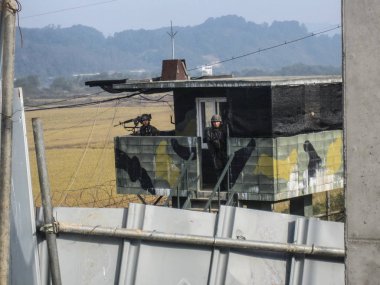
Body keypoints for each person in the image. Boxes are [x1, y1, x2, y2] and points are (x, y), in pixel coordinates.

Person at [204, 114, 228, 189]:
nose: (215, 123)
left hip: (224, 152)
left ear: (220, 122)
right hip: (216, 154)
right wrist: (214, 154)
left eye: (217, 122)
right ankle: (220, 187)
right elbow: (210, 144)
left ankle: (226, 186)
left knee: (226, 169)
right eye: (214, 122)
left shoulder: (224, 130)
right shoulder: (209, 131)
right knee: (218, 170)